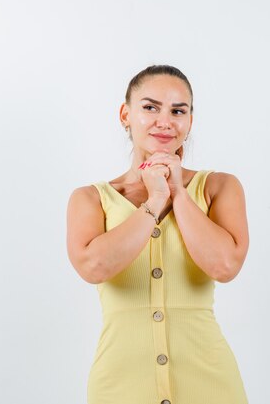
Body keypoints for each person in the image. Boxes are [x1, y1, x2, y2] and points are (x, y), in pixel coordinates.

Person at [66, 64, 249, 404]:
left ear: (189, 122)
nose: (164, 121)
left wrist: (178, 192)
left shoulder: (219, 187)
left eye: (178, 111)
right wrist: (155, 200)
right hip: (120, 385)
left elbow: (225, 266)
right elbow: (93, 267)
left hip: (209, 382)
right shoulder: (90, 199)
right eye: (150, 107)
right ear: (126, 114)